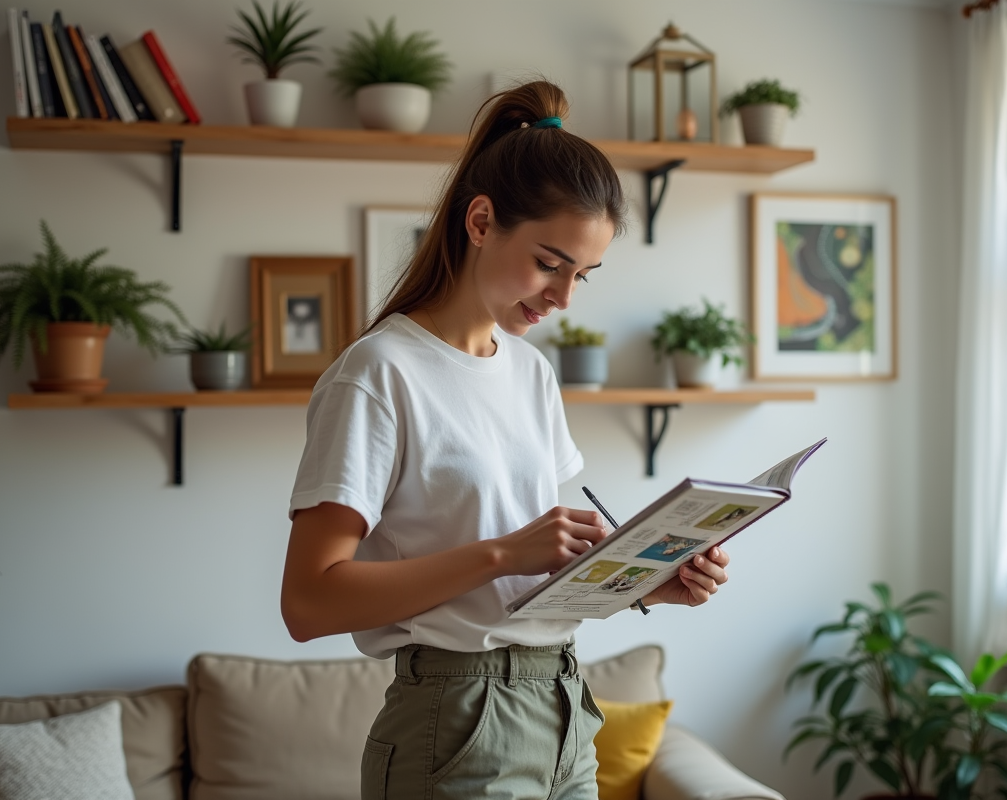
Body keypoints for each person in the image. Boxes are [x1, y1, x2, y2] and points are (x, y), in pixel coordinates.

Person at [280, 80, 731, 800]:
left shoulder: (530, 373)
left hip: (563, 710)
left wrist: (647, 584)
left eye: (583, 275)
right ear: (481, 220)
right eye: (551, 263)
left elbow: (525, 591)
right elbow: (309, 603)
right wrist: (503, 552)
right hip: (456, 727)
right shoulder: (376, 374)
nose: (564, 297)